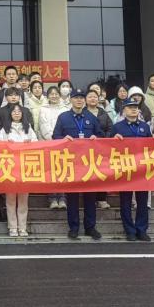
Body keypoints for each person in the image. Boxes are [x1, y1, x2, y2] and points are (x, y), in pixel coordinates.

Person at [53, 88, 104, 240]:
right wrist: (63, 139)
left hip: (89, 163)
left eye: (82, 98)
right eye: (76, 97)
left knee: (90, 197)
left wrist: (96, 138)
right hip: (71, 163)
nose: (79, 100)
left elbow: (101, 135)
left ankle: (90, 227)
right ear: (71, 99)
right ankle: (74, 227)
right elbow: (55, 136)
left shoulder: (91, 117)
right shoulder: (63, 117)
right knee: (72, 197)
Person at [111, 97, 154, 241]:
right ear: (124, 110)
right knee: (125, 200)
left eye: (135, 107)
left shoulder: (144, 126)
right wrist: (113, 139)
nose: (133, 109)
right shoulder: (117, 127)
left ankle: (141, 230)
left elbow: (152, 146)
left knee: (142, 201)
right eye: (130, 107)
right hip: (126, 167)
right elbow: (108, 147)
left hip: (142, 168)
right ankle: (129, 230)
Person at [0, 104, 37, 237]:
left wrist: (29, 143)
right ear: (10, 114)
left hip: (25, 168)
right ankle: (12, 227)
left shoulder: (28, 128)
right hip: (10, 168)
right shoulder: (4, 129)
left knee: (24, 200)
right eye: (14, 111)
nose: (16, 113)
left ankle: (22, 227)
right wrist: (7, 145)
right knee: (10, 200)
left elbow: (37, 144)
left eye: (19, 111)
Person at [39, 86, 69, 209]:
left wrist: (60, 140)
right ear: (48, 96)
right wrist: (52, 139)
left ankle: (62, 198)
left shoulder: (65, 109)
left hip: (63, 144)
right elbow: (43, 125)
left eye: (56, 94)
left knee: (62, 171)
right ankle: (52, 199)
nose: (54, 96)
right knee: (50, 172)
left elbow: (66, 125)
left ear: (59, 95)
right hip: (48, 144)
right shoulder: (43, 109)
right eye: (51, 94)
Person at [85, 89, 113, 210]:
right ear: (86, 99)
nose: (93, 99)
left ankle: (101, 199)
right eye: (90, 97)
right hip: (86, 150)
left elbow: (110, 128)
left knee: (102, 173)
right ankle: (89, 199)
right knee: (88, 173)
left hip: (102, 148)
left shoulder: (103, 113)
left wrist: (104, 139)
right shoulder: (83, 113)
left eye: (95, 97)